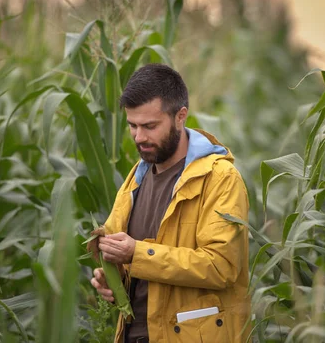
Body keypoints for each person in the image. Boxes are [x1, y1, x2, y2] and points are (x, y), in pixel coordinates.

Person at [90, 63, 251, 342]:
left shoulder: (220, 179)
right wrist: (114, 283)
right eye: (132, 126)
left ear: (180, 116)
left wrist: (137, 254)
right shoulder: (135, 179)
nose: (139, 137)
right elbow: (137, 273)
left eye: (150, 126)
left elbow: (221, 266)